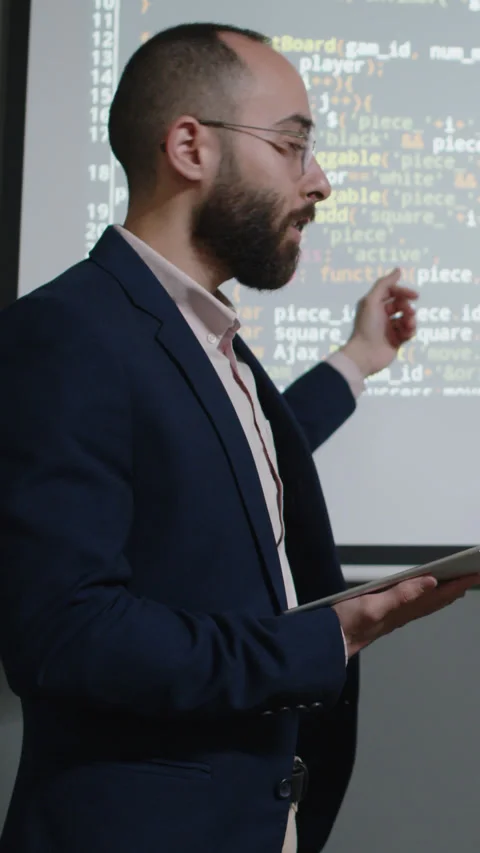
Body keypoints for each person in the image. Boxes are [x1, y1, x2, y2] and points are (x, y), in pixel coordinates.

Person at [0, 22, 477, 853]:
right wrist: (323, 637)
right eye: (293, 145)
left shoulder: (204, 341)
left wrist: (359, 360)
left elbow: (242, 454)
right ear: (190, 146)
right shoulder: (66, 334)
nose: (319, 180)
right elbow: (64, 634)